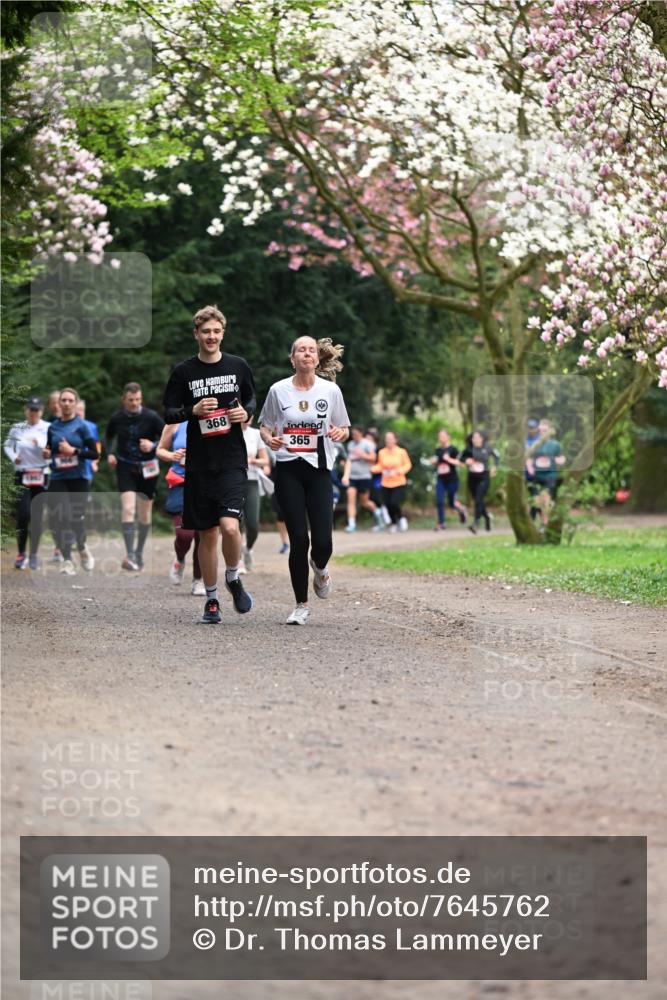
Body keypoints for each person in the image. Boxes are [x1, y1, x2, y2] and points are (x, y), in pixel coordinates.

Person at [163, 304, 256, 624]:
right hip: (200, 463)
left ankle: (233, 577)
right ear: (196, 335)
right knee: (208, 534)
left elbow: (251, 399)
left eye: (217, 331)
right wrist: (194, 410)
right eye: (206, 332)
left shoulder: (238, 366)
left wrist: (245, 414)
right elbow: (169, 413)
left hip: (231, 459)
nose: (212, 336)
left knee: (230, 526)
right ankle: (212, 599)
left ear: (223, 333)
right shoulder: (183, 372)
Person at [259, 335, 350, 625]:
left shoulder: (331, 390)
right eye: (301, 350)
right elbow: (264, 426)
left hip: (320, 469)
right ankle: (300, 605)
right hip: (288, 469)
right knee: (298, 538)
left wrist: (339, 434)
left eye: (311, 350)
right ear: (293, 358)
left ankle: (320, 568)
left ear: (318, 358)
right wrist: (270, 439)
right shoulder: (278, 390)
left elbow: (344, 427)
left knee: (323, 541)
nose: (307, 354)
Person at [104, 382, 165, 572]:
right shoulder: (117, 417)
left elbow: (167, 436)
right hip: (125, 467)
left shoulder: (151, 417)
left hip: (148, 469)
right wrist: (110, 453)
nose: (134, 403)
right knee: (128, 508)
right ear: (124, 399)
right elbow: (108, 437)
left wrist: (153, 445)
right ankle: (130, 554)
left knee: (145, 514)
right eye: (131, 400)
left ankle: (138, 552)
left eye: (138, 400)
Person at [44, 388, 98, 575]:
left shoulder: (82, 426)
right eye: (63, 400)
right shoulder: (53, 427)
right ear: (59, 404)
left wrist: (73, 451)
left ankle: (82, 549)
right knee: (62, 517)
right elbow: (50, 449)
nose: (66, 403)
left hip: (78, 478)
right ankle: (67, 560)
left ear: (75, 403)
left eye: (70, 400)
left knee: (75, 518)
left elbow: (94, 453)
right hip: (58, 478)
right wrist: (47, 453)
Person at [156, 421, 205, 595]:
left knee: (202, 536)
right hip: (180, 483)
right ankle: (180, 559)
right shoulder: (175, 423)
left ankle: (198, 580)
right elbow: (160, 449)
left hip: (204, 483)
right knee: (185, 535)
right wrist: (172, 456)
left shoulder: (211, 418)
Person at [4, 397, 50, 569]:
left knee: (37, 516)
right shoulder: (17, 428)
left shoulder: (48, 428)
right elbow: (7, 445)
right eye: (31, 409)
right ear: (26, 410)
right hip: (22, 473)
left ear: (42, 411)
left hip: (41, 473)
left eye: (36, 410)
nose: (33, 413)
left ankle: (34, 555)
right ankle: (21, 553)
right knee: (23, 515)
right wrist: (14, 457)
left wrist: (41, 446)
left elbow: (52, 449)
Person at [241, 415, 271, 571]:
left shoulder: (255, 434)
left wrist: (255, 461)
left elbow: (266, 461)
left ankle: (247, 548)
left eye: (250, 415)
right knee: (236, 522)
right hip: (234, 482)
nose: (249, 417)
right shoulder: (230, 432)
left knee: (253, 525)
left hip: (252, 480)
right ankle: (237, 561)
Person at [341, 425, 384, 532]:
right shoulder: (350, 445)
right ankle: (351, 524)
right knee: (351, 499)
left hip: (364, 477)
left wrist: (362, 455)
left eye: (356, 434)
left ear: (361, 434)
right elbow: (349, 460)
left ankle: (378, 513)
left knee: (364, 501)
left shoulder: (368, 444)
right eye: (353, 434)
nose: (354, 436)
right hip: (352, 477)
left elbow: (374, 459)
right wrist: (345, 470)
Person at [526, 418, 566, 528]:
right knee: (536, 501)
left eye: (545, 430)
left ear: (550, 431)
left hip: (550, 475)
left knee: (546, 499)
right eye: (540, 430)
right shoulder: (535, 444)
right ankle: (537, 524)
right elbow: (529, 458)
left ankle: (545, 524)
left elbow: (562, 458)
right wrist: (530, 468)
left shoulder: (555, 445)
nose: (542, 432)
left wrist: (556, 460)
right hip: (537, 475)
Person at [461, 430, 500, 534]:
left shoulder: (487, 448)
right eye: (474, 437)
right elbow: (460, 457)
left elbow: (497, 456)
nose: (476, 439)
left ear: (482, 439)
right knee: (478, 501)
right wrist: (465, 461)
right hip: (472, 478)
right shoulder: (469, 449)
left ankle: (476, 523)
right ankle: (487, 517)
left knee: (479, 499)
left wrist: (495, 467)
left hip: (484, 477)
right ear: (471, 439)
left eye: (478, 437)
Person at [375, 430, 412, 532]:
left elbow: (408, 465)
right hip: (386, 482)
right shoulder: (382, 452)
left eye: (391, 439)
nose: (388, 441)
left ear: (395, 440)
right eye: (387, 439)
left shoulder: (401, 452)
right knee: (387, 504)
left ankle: (400, 518)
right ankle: (394, 523)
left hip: (398, 482)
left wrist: (398, 471)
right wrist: (374, 469)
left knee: (394, 503)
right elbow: (380, 465)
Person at [430, 428, 467, 529]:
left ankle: (460, 508)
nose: (441, 438)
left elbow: (461, 463)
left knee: (451, 503)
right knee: (439, 500)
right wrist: (434, 461)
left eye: (443, 436)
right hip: (441, 479)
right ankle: (441, 523)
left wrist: (449, 459)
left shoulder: (453, 449)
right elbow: (437, 461)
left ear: (448, 437)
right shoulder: (438, 450)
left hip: (452, 479)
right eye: (439, 436)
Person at [76, 399, 101, 484]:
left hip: (87, 467)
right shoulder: (67, 426)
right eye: (77, 410)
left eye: (81, 410)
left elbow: (97, 445)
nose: (79, 413)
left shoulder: (92, 427)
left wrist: (95, 462)